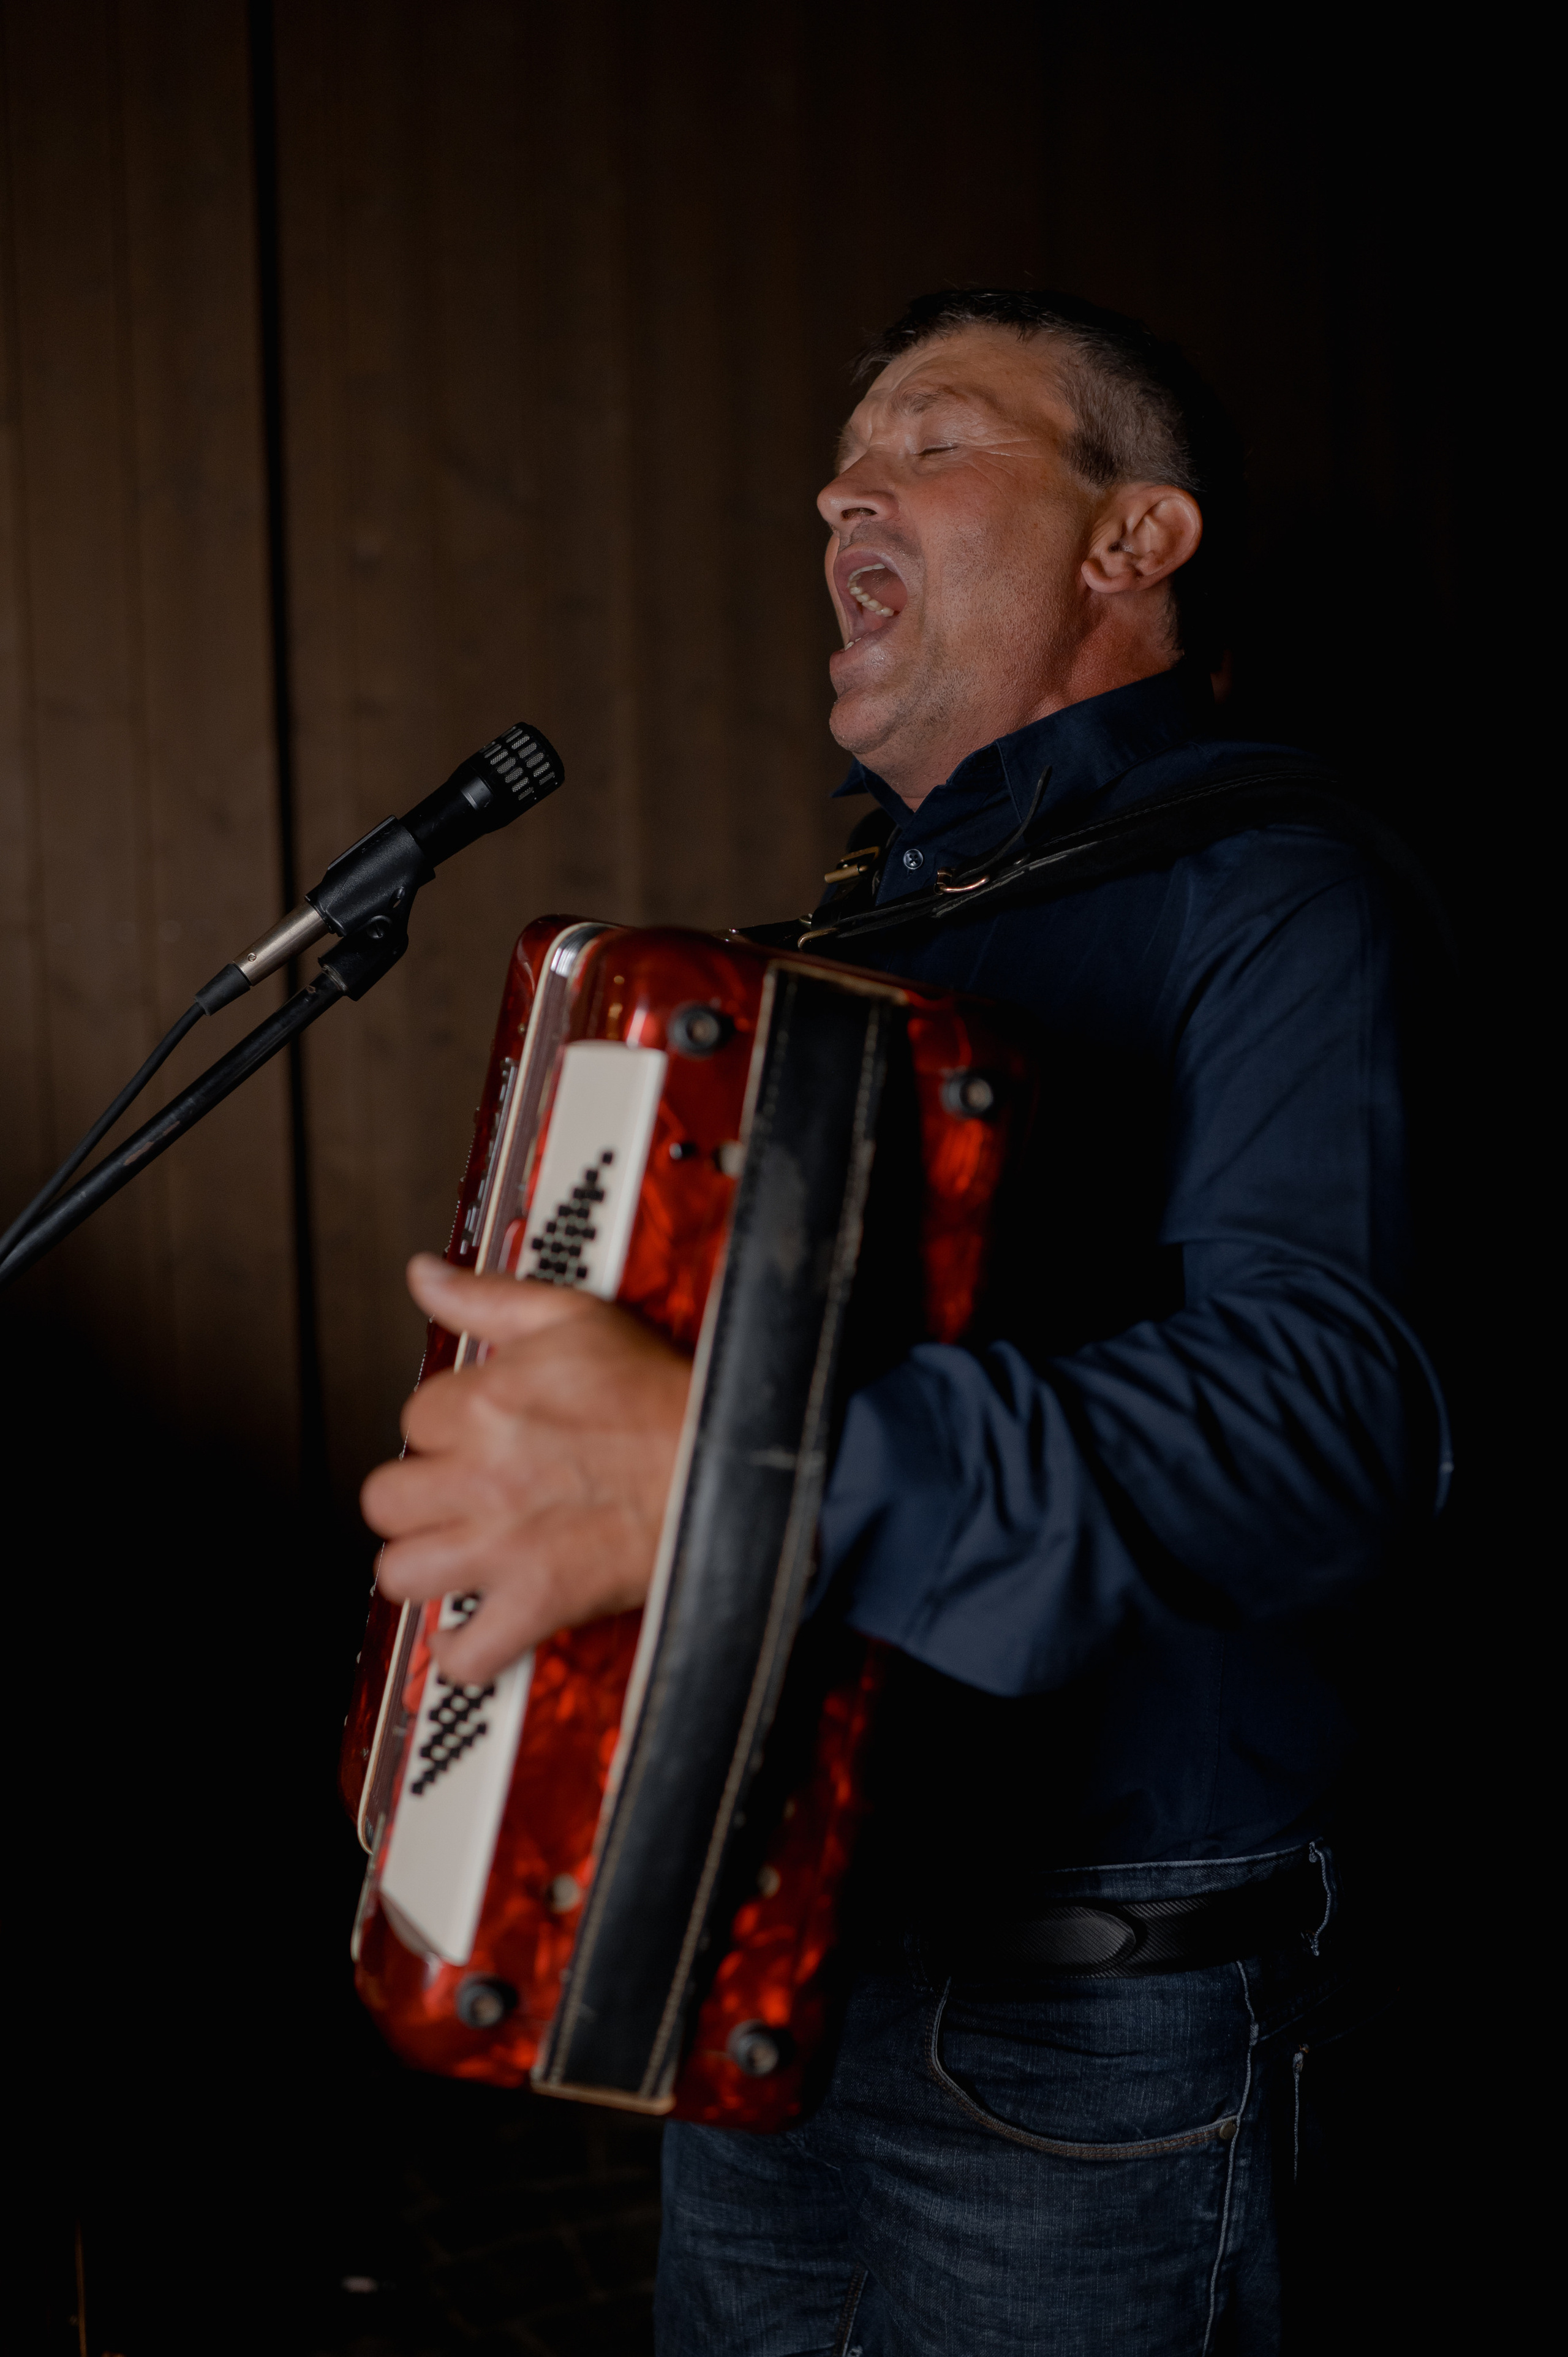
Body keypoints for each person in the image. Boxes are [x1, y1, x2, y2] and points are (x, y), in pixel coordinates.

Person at [360, 290, 1450, 2354]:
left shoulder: (1282, 895)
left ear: (1135, 539)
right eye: (840, 468)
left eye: (933, 439)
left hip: (1098, 2036)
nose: (842, 489)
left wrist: (728, 1474)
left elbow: (1327, 1423)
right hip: (779, 1956)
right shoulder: (862, 951)